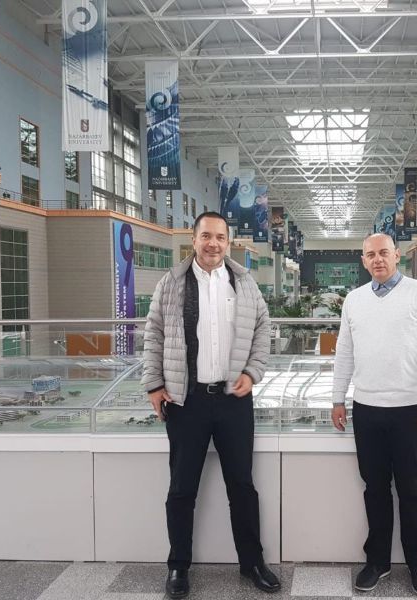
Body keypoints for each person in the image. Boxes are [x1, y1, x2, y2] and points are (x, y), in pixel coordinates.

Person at [142, 211, 280, 599]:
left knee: (242, 486)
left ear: (228, 242)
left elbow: (263, 327)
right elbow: (153, 333)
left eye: (220, 237)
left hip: (235, 400)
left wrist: (252, 372)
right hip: (186, 401)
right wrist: (154, 384)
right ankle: (178, 566)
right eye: (206, 236)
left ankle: (252, 562)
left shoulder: (243, 282)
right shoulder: (171, 282)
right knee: (182, 488)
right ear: (194, 239)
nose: (213, 244)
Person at [331, 233, 417, 596]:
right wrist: (338, 398)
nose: (378, 259)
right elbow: (344, 352)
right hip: (366, 409)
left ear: (397, 255)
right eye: (371, 255)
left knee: (411, 489)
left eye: (384, 252)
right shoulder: (354, 300)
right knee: (375, 489)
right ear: (363, 261)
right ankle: (377, 562)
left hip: (411, 410)